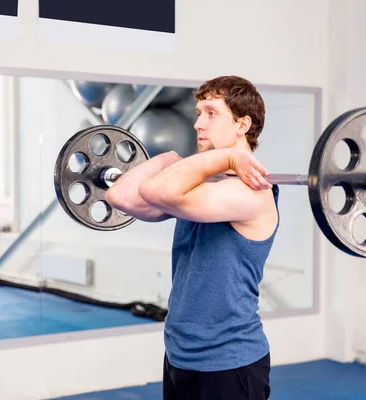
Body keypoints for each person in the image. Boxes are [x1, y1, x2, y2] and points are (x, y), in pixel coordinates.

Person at [106, 75, 279, 400]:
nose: (198, 123)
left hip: (230, 362)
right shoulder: (205, 187)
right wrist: (171, 159)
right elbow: (120, 196)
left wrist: (227, 159)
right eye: (198, 112)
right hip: (180, 356)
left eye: (211, 113)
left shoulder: (251, 193)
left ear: (243, 124)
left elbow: (155, 189)